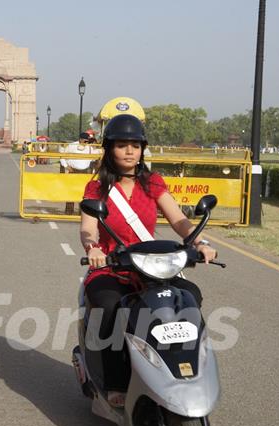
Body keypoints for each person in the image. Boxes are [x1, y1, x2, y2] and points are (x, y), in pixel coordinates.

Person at [79, 114, 217, 404]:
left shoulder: (152, 183)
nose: (130, 151)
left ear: (143, 149)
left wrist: (200, 241)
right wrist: (93, 248)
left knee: (188, 298)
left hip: (153, 267)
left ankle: (183, 370)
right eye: (121, 145)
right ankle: (115, 382)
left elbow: (179, 220)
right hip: (113, 267)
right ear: (109, 149)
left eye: (136, 145)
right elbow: (88, 228)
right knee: (108, 305)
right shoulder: (97, 189)